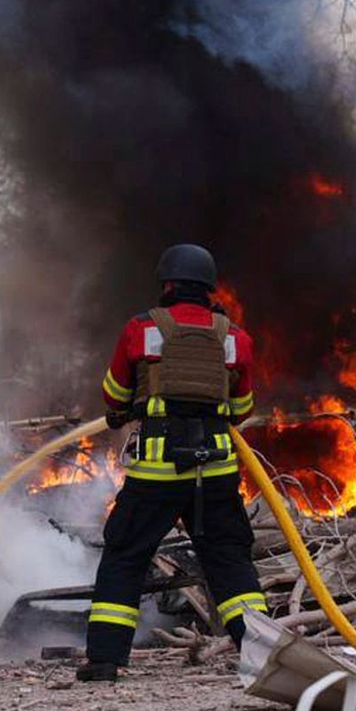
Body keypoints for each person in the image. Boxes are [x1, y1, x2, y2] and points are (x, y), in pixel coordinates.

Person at [78, 244, 266, 682]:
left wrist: (142, 402)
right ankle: (261, 658)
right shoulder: (235, 337)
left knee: (125, 555)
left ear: (167, 284)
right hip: (215, 473)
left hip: (157, 474)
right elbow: (242, 406)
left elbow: (115, 395)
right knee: (229, 562)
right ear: (209, 289)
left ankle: (106, 660)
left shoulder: (141, 329)